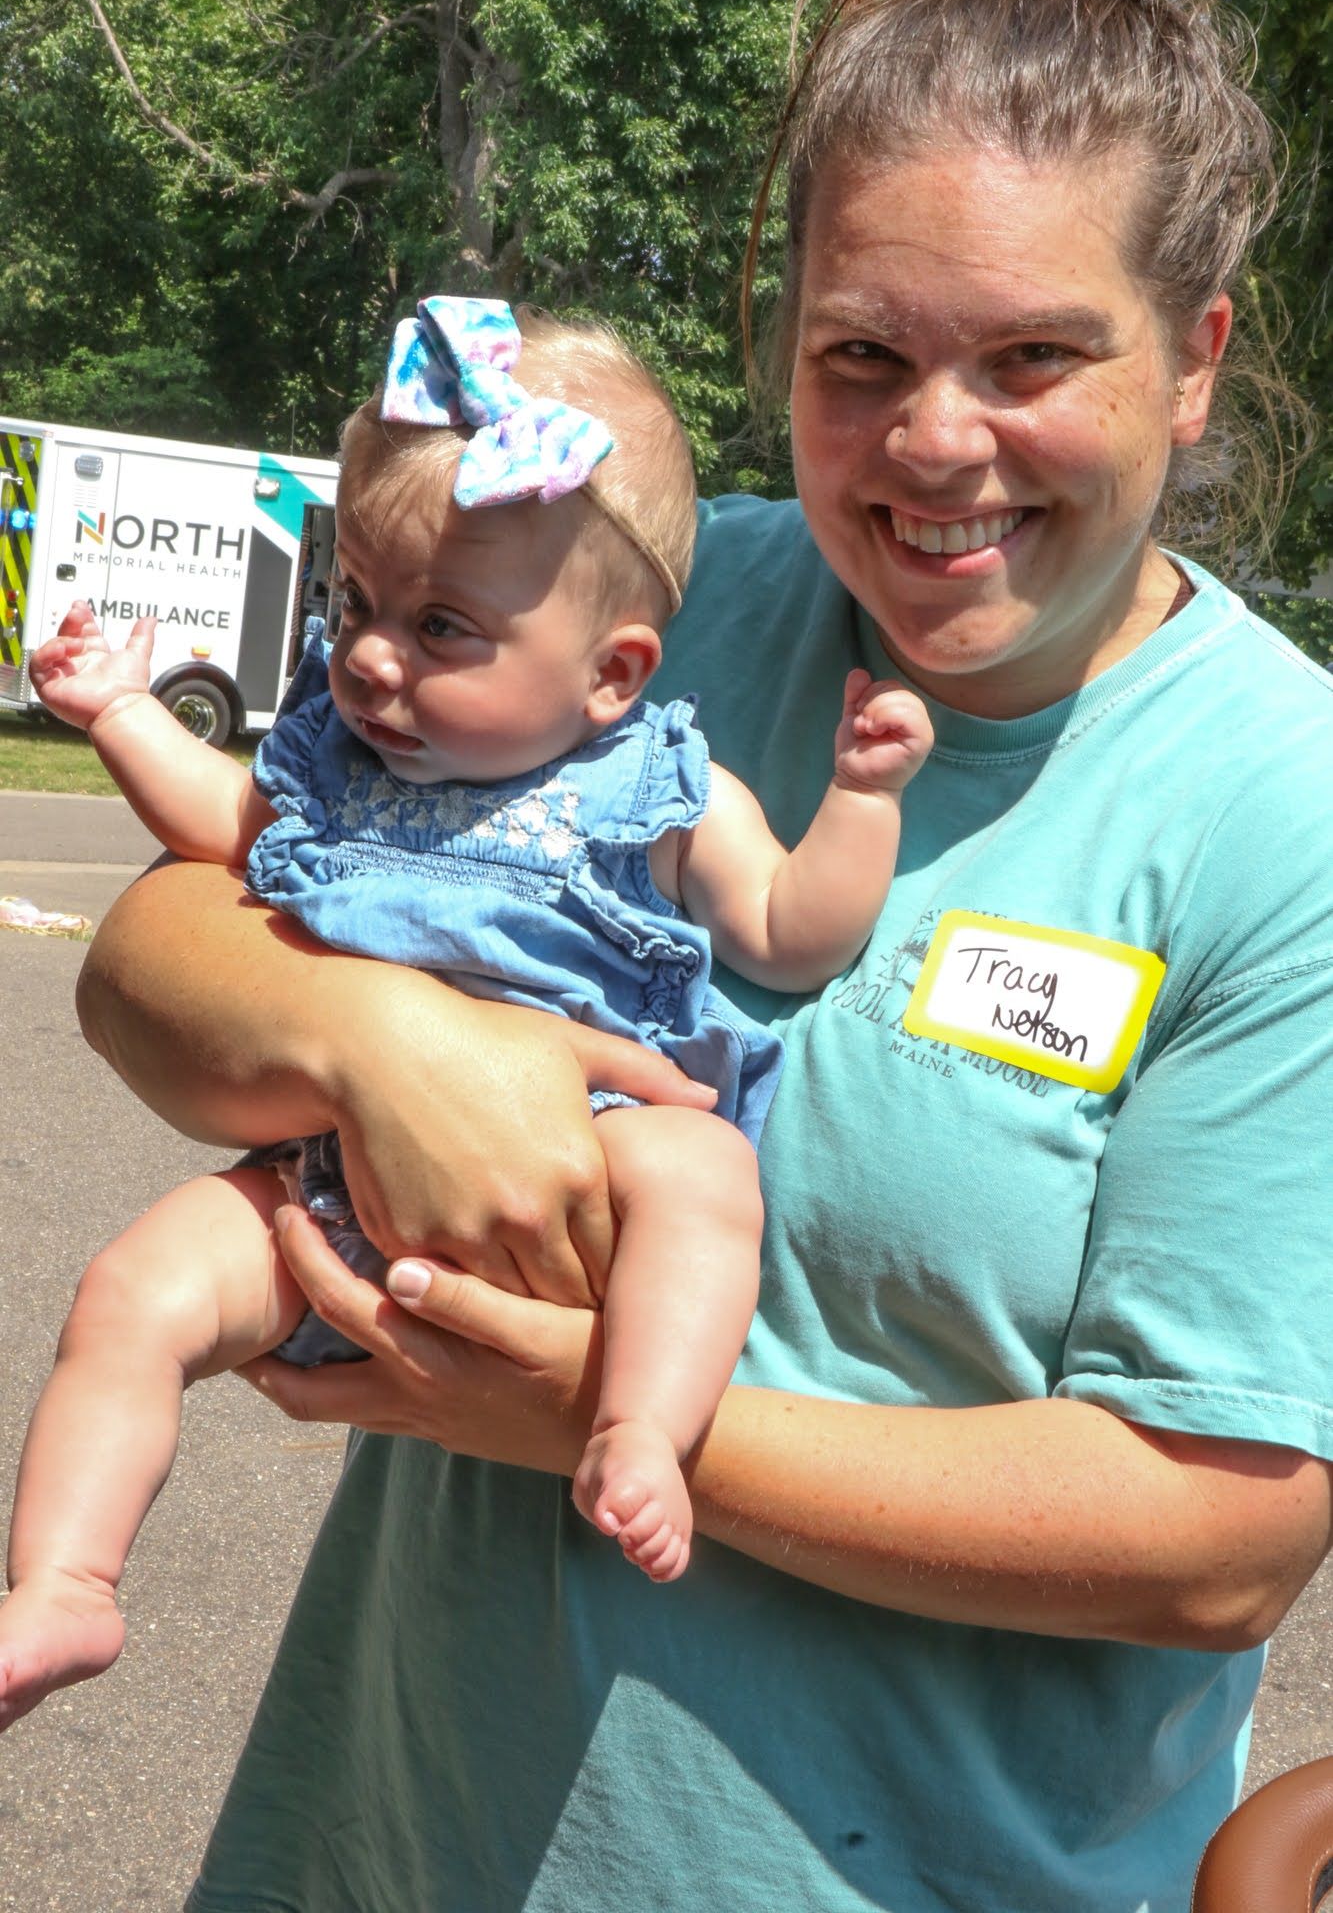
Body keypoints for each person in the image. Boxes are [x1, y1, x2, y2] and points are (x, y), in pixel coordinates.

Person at [62, 0, 1333, 1907]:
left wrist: (610, 1419)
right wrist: (386, 1045)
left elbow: (1213, 1535)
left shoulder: (1282, 811)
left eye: (1031, 356)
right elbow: (161, 950)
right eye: (861, 356)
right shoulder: (641, 593)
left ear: (1193, 361)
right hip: (385, 1839)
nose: (934, 439)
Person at [0, 298, 931, 1727]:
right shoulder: (338, 761)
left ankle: (638, 1424)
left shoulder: (661, 787)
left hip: (593, 1135)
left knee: (702, 1173)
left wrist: (861, 801)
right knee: (131, 1291)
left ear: (614, 672)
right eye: (356, 603)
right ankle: (65, 1581)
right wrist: (122, 714)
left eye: (441, 626)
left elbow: (790, 932)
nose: (372, 658)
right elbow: (222, 832)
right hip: (323, 1175)